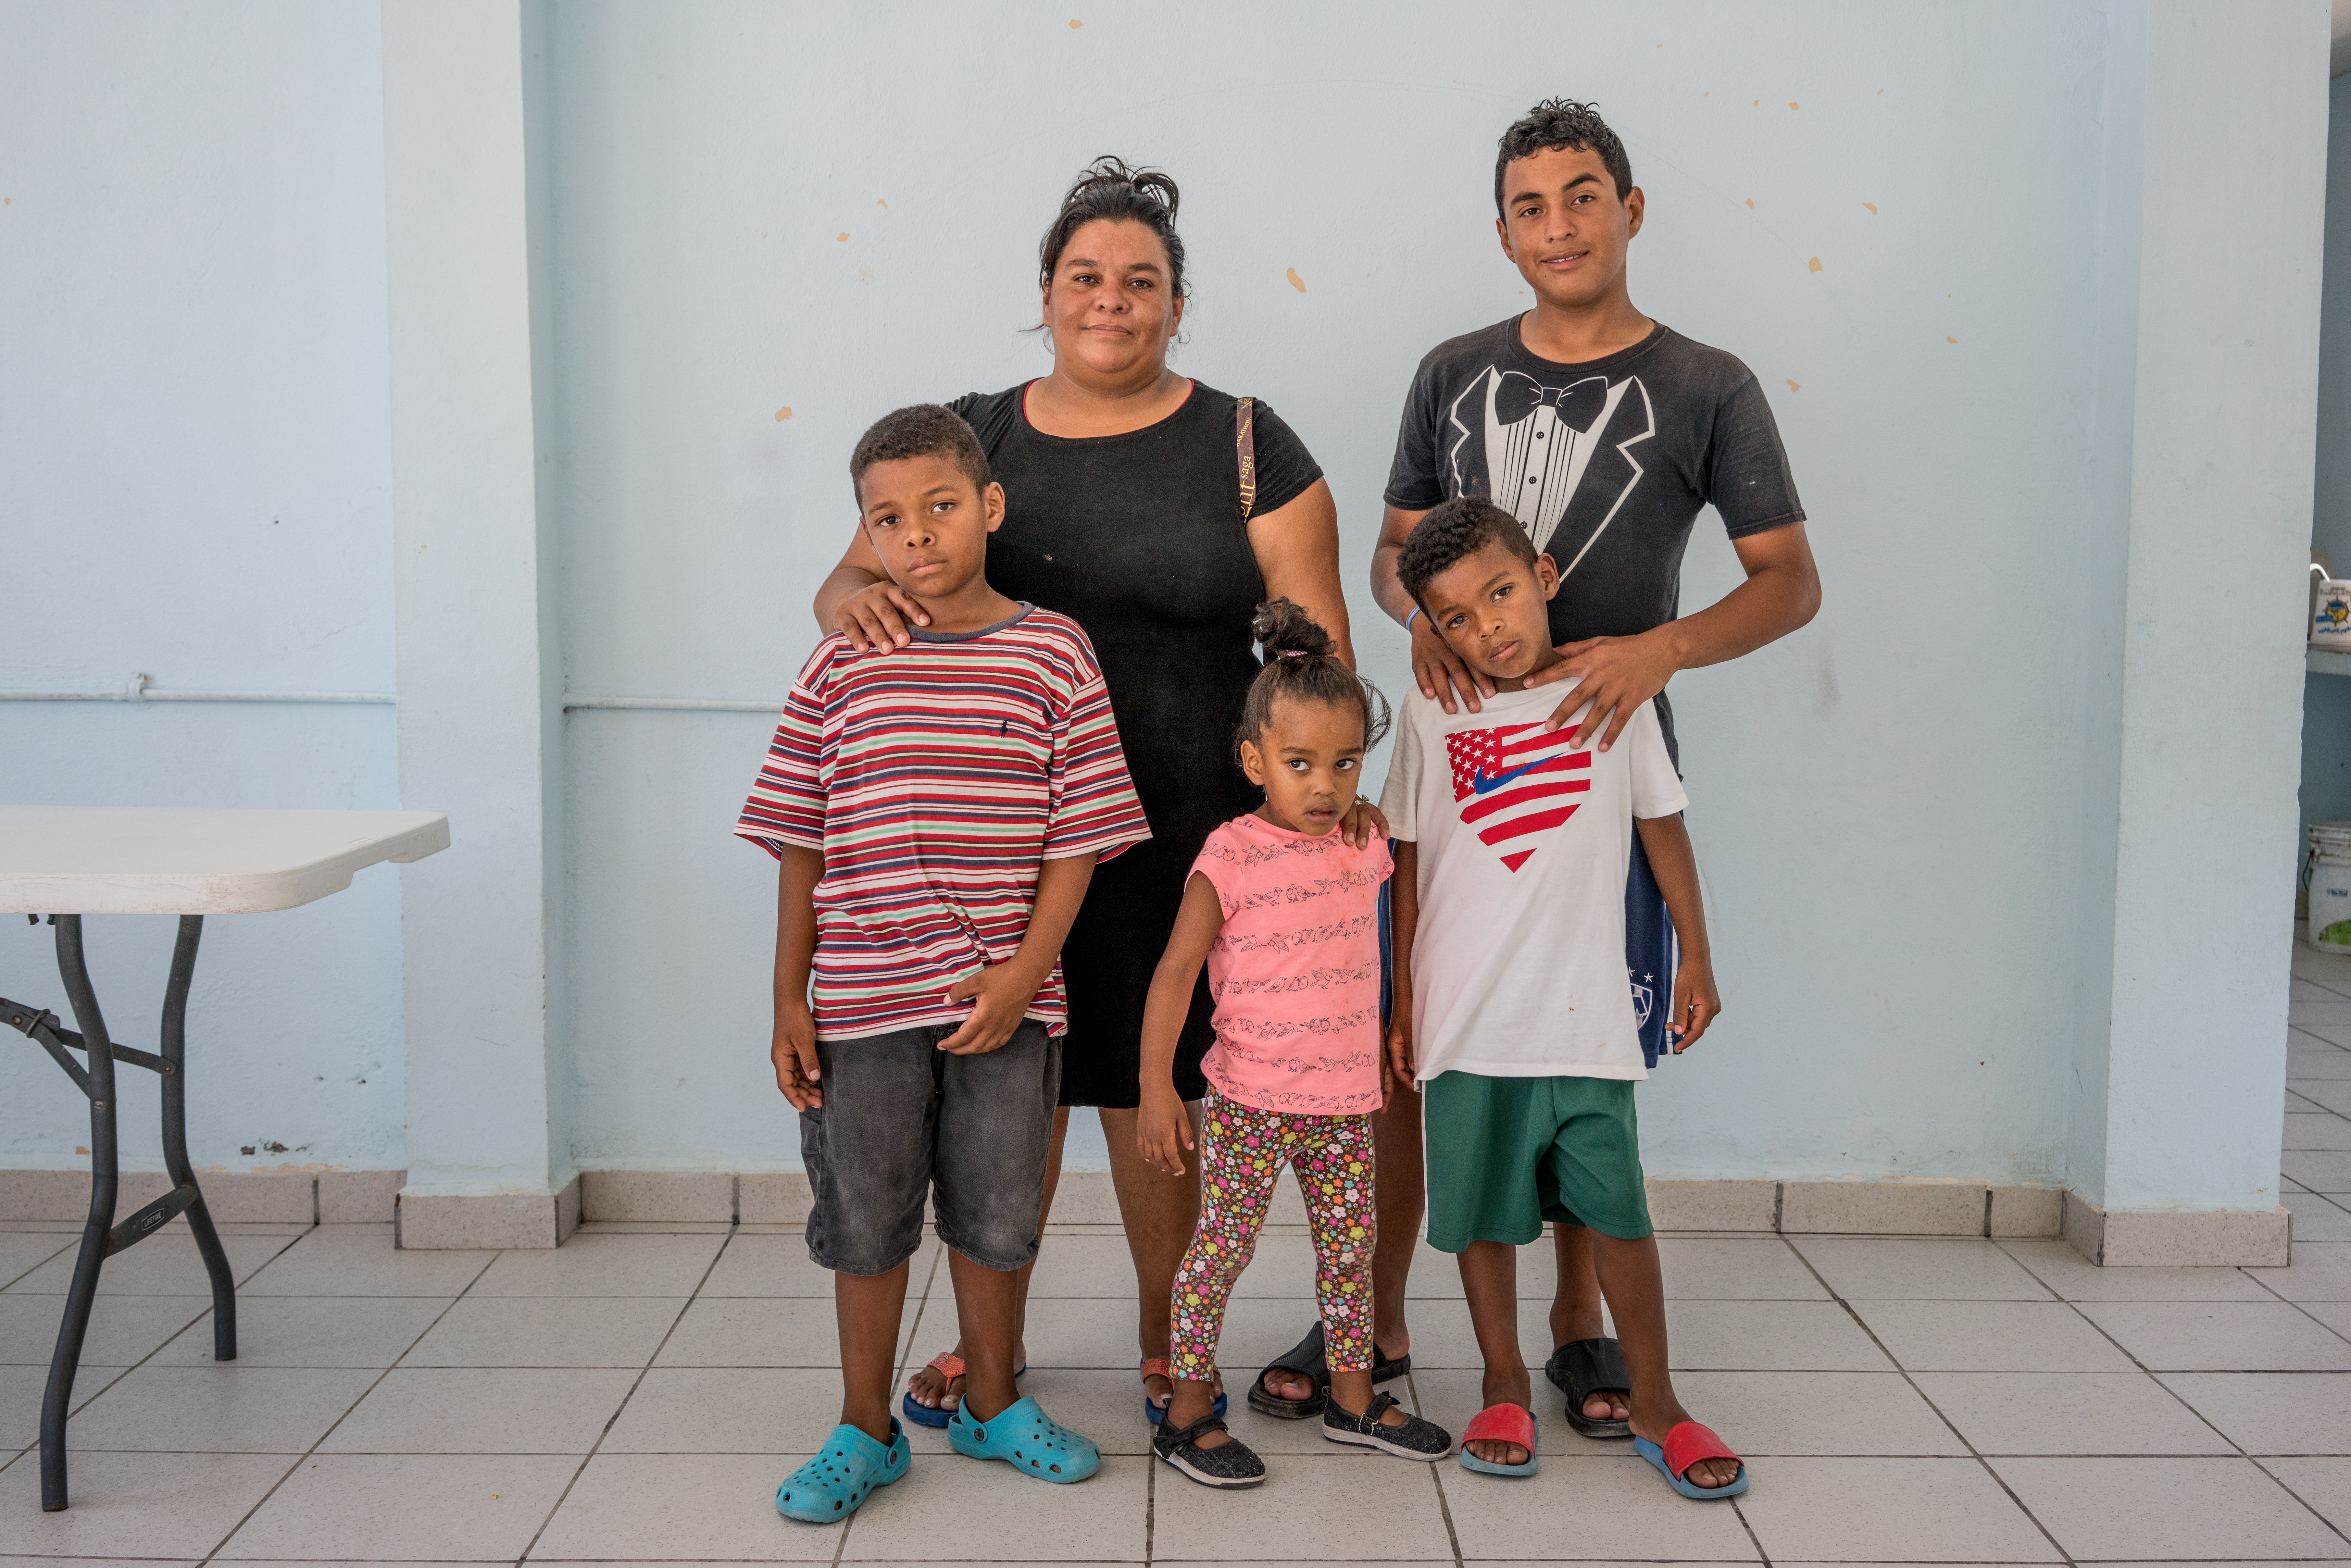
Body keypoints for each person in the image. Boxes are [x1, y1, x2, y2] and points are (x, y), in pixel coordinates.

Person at [1271, 94, 1821, 1437]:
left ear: (1630, 210)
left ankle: (1577, 1324)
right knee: (1420, 1047)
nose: (1558, 224)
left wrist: (1660, 650)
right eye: (1529, 203)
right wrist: (1423, 634)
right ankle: (1381, 1309)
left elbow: (1789, 584)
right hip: (1459, 772)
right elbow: (1397, 558)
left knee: (1588, 1042)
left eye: (1583, 195)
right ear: (1502, 229)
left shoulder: (1707, 384)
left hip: (1603, 773)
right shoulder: (1451, 368)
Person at [810, 160, 1379, 1428]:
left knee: (1148, 1095)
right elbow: (853, 583)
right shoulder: (974, 435)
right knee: (996, 1102)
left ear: (1177, 301)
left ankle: (1161, 1347)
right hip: (990, 848)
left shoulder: (1243, 440)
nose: (1110, 301)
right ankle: (988, 1352)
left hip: (1186, 841)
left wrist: (1320, 817)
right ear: (1045, 294)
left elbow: (1319, 660)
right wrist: (850, 602)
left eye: (1140, 280)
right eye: (1085, 277)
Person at [743, 405, 1150, 1522]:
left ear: (989, 508)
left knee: (997, 1213)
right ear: (864, 534)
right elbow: (798, 832)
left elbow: (1079, 837)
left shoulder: (1052, 650)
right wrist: (788, 993)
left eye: (939, 507)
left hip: (1007, 1005)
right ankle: (864, 1429)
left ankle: (993, 1402)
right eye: (888, 518)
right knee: (867, 1220)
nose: (917, 533)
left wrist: (1025, 974)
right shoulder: (843, 657)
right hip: (864, 1000)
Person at [1383, 497, 1745, 1499]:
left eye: (1499, 593)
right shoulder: (1430, 709)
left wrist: (1696, 958)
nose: (1485, 626)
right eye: (1454, 616)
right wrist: (1404, 999)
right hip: (1465, 1014)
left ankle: (1659, 1400)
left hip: (1586, 1014)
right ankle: (1501, 1379)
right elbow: (1405, 860)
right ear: (1432, 629)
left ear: (1542, 576)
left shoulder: (1608, 690)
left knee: (1618, 1214)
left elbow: (1662, 829)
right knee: (1486, 1217)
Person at [1136, 601, 1452, 1489]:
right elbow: (1173, 975)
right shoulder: (1231, 854)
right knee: (1219, 1255)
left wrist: (1399, 1023)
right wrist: (1157, 1088)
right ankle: (1187, 1409)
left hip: (1345, 1104)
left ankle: (1352, 1400)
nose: (1325, 785)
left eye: (1344, 764)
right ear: (1253, 762)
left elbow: (1396, 926)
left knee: (1349, 1253)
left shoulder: (1364, 845)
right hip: (1248, 1102)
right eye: (1300, 764)